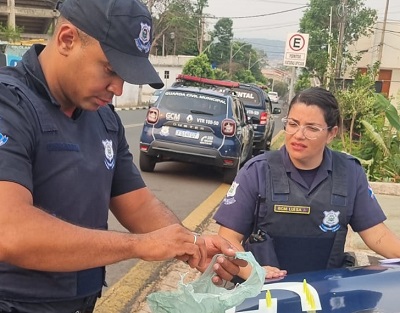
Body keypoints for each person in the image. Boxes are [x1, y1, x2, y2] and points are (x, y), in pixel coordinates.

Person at [0, 0, 244, 312]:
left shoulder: (103, 119)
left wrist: (192, 244)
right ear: (66, 39)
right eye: (111, 69)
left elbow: (138, 203)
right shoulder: (10, 105)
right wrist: (140, 246)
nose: (118, 87)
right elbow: (9, 231)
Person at [214, 87, 400, 281]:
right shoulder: (257, 171)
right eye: (293, 124)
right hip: (263, 293)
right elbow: (227, 238)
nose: (298, 135)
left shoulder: (349, 173)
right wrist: (253, 272)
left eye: (311, 128)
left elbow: (378, 236)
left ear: (331, 133)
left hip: (325, 294)